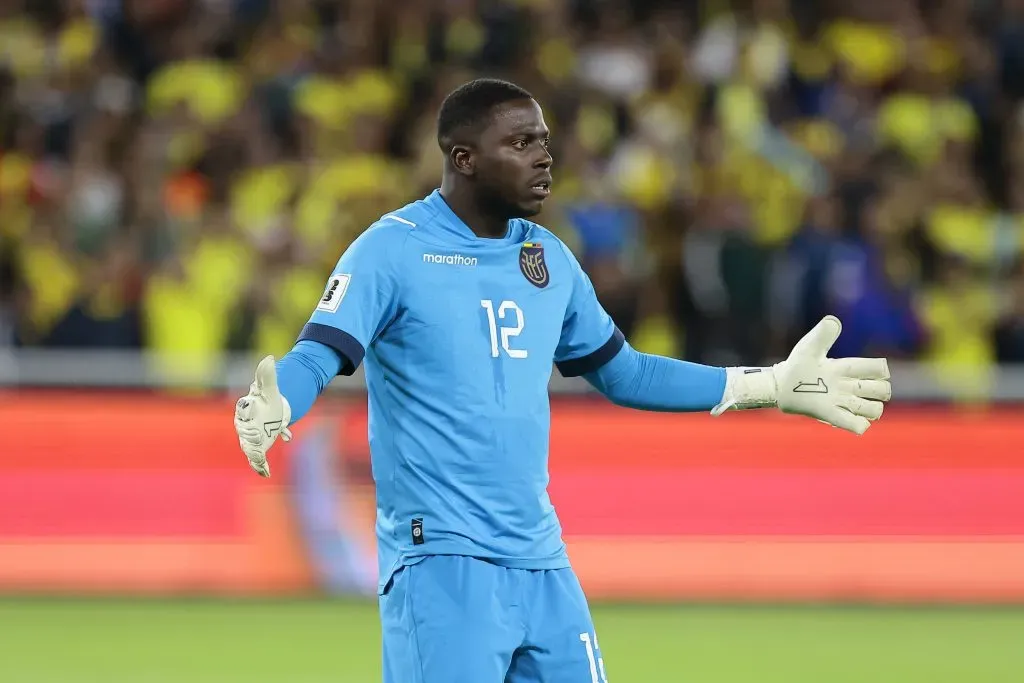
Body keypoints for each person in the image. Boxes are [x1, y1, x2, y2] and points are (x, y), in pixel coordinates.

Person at [233, 78, 892, 683]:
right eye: (521, 143)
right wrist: (278, 399)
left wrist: (768, 384)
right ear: (464, 159)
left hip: (542, 562)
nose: (545, 157)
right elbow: (320, 353)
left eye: (544, 141)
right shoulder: (391, 248)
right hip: (443, 563)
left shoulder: (546, 258)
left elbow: (626, 372)